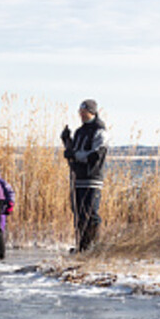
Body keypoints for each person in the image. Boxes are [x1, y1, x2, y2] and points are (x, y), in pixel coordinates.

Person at [61, 99, 108, 253]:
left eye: (84, 112)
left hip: (92, 178)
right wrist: (67, 141)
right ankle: (82, 246)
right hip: (78, 178)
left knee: (90, 214)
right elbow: (73, 153)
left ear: (92, 112)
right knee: (79, 213)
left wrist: (75, 155)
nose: (81, 115)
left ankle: (93, 248)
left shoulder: (100, 130)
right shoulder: (80, 131)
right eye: (80, 113)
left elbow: (96, 155)